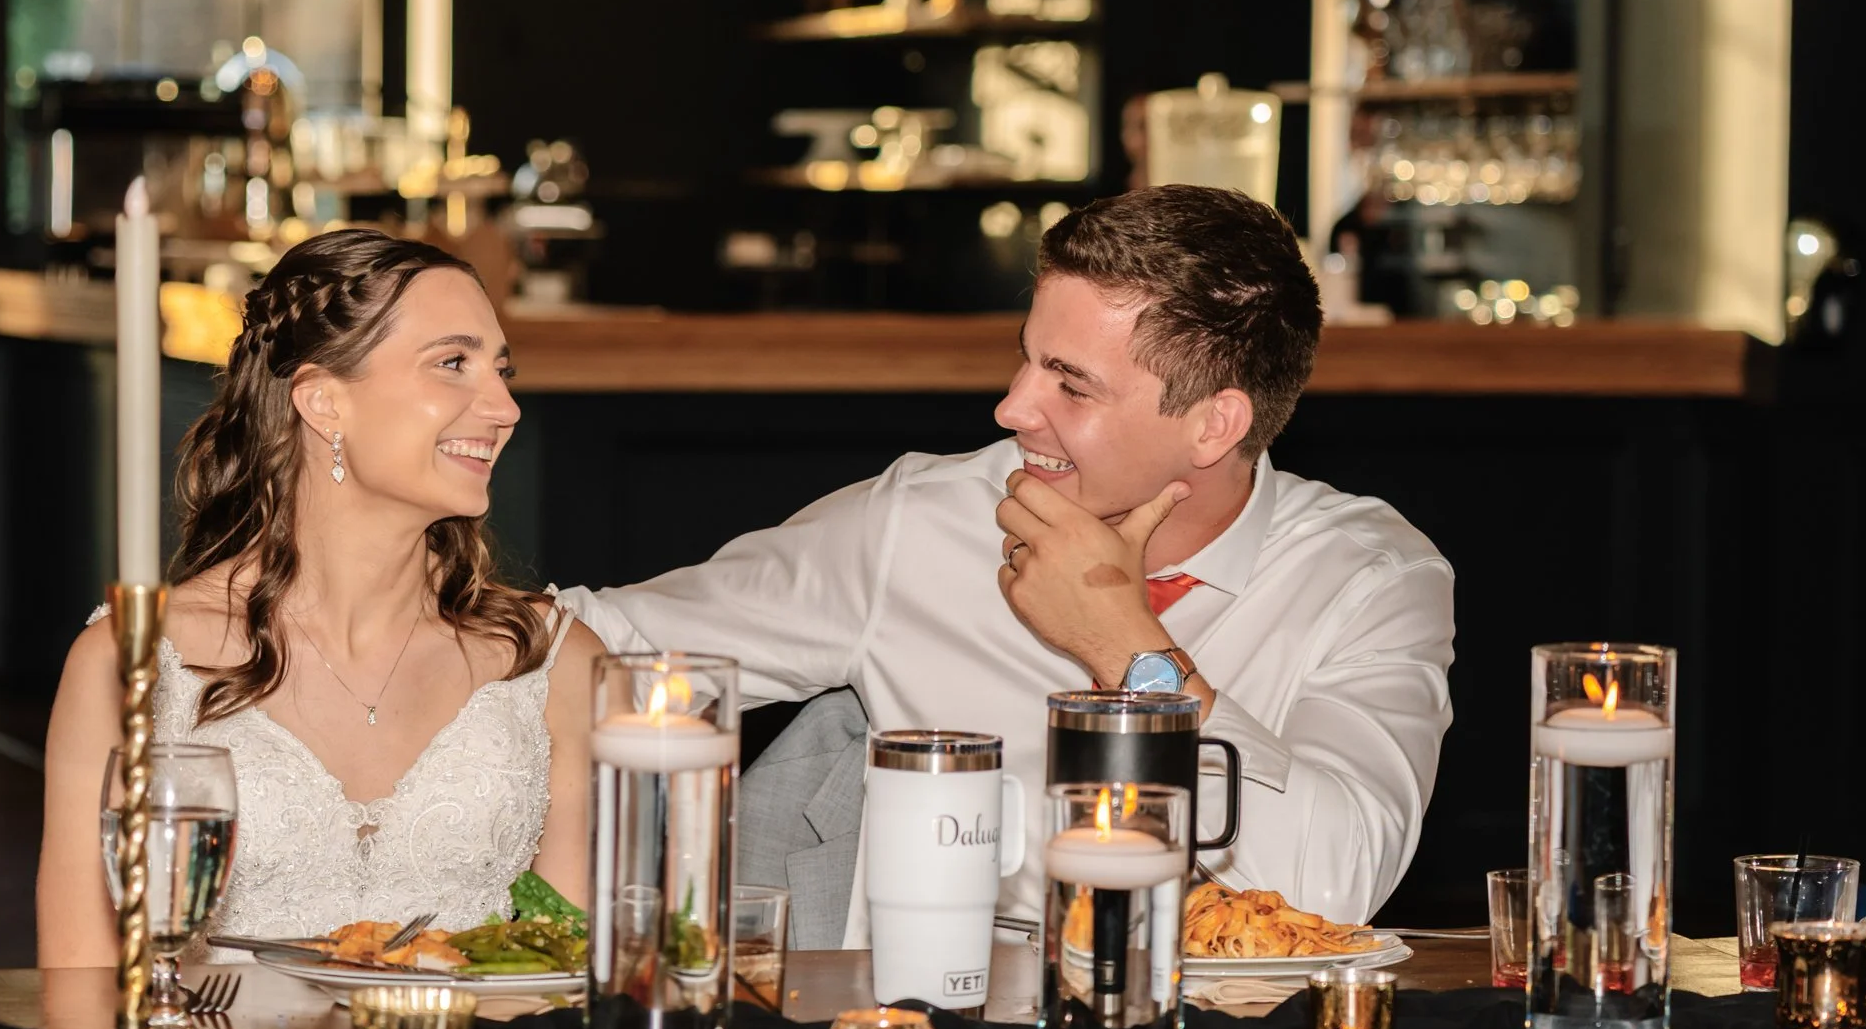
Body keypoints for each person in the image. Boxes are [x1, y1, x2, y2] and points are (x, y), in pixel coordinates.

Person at [33, 230, 628, 1029]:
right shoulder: (135, 664)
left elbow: (568, 976)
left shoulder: (551, 662)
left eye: (502, 367)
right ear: (321, 401)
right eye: (453, 363)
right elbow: (80, 1001)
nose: (499, 404)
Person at [565, 184, 1456, 933]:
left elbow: (1333, 887)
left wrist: (1126, 648)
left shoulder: (1368, 580)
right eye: (1026, 360)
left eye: (1071, 384)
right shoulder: (916, 524)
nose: (1012, 408)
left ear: (1213, 424)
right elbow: (599, 640)